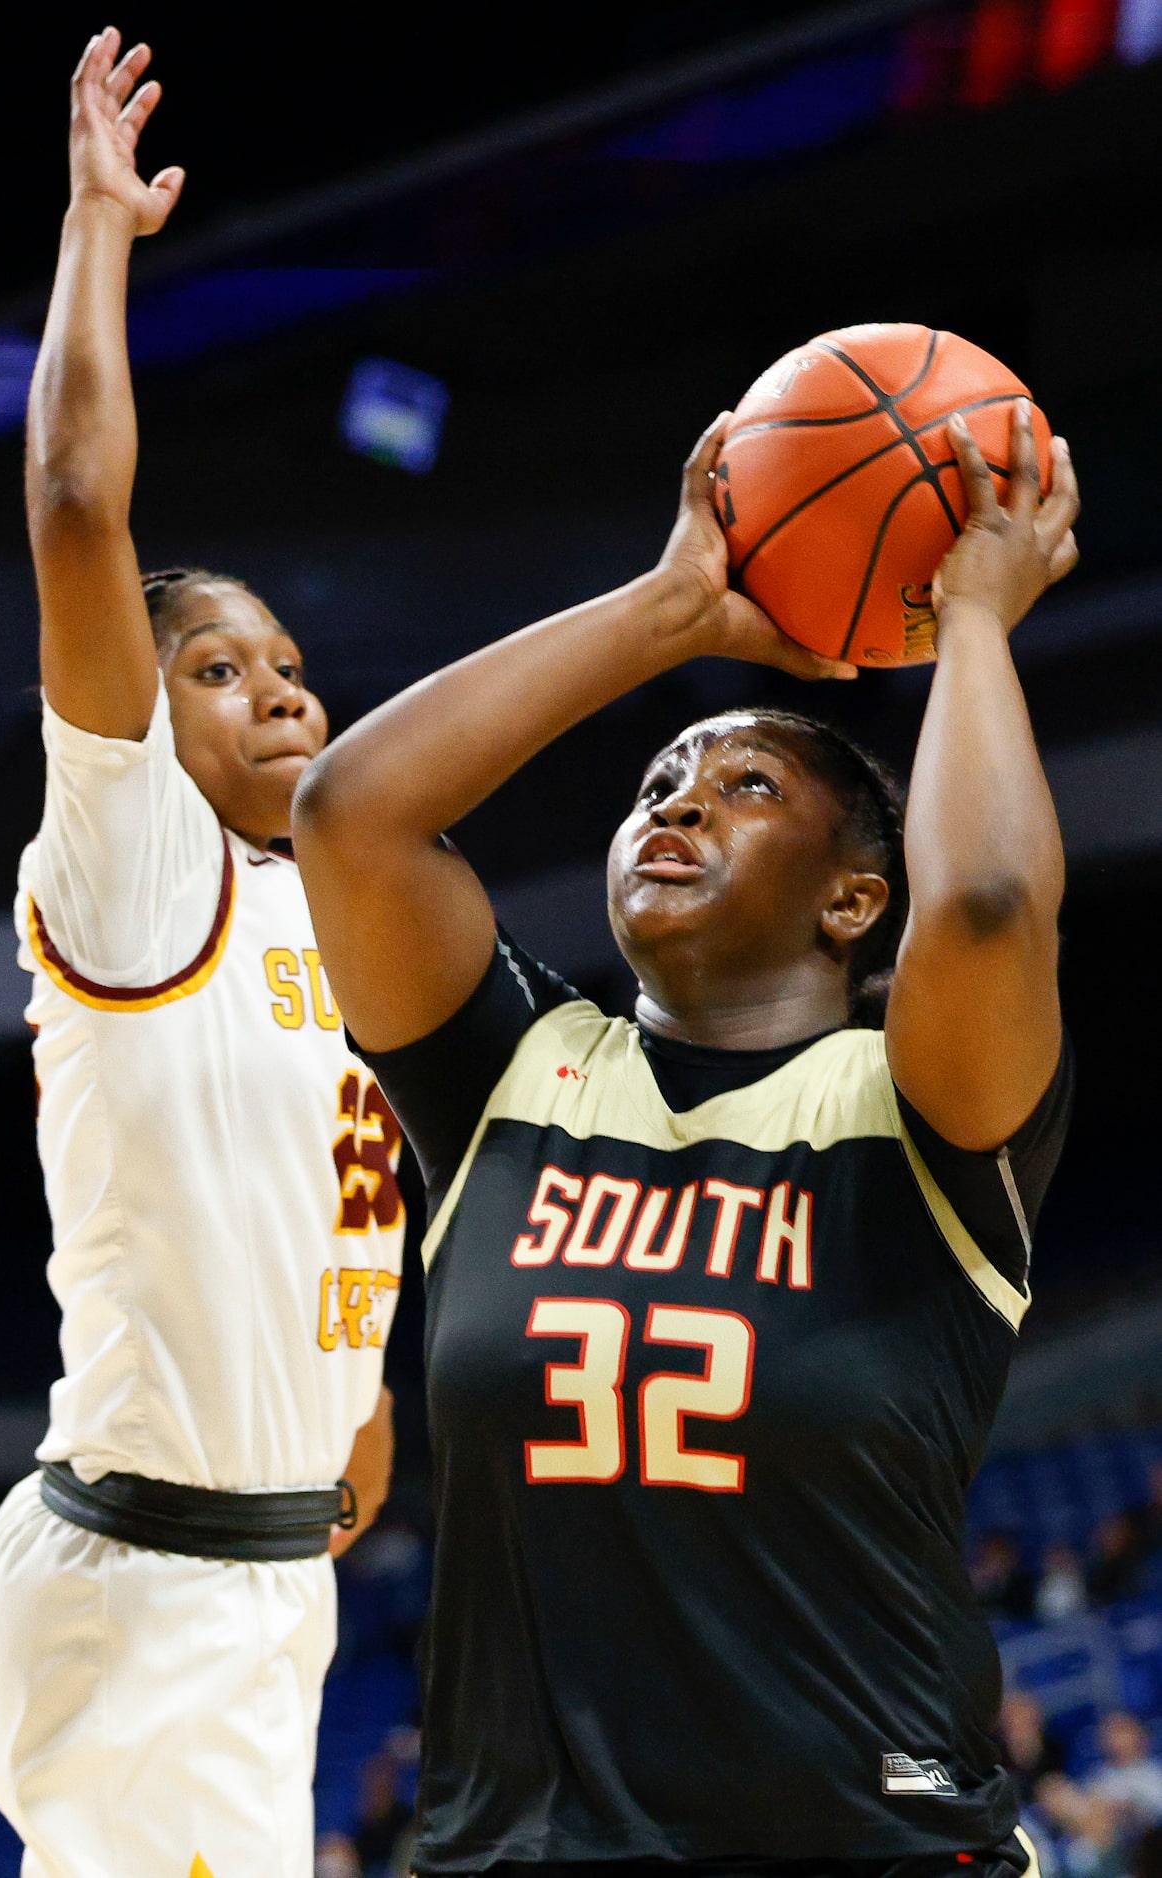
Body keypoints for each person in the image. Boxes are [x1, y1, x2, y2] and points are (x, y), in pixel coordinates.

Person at [293, 394, 1080, 1876]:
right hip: (519, 1851)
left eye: (744, 787)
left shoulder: (912, 1110)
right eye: (659, 784)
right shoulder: (515, 1075)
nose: (675, 804)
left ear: (853, 899)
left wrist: (970, 620)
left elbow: (981, 903)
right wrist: (665, 614)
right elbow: (348, 814)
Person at [0, 31, 403, 1878]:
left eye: (285, 657)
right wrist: (94, 235)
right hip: (148, 1578)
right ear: (145, 715)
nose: (276, 682)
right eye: (214, 666)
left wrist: (352, 1427)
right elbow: (78, 508)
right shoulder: (142, 872)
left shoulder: (348, 906)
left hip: (247, 1577)